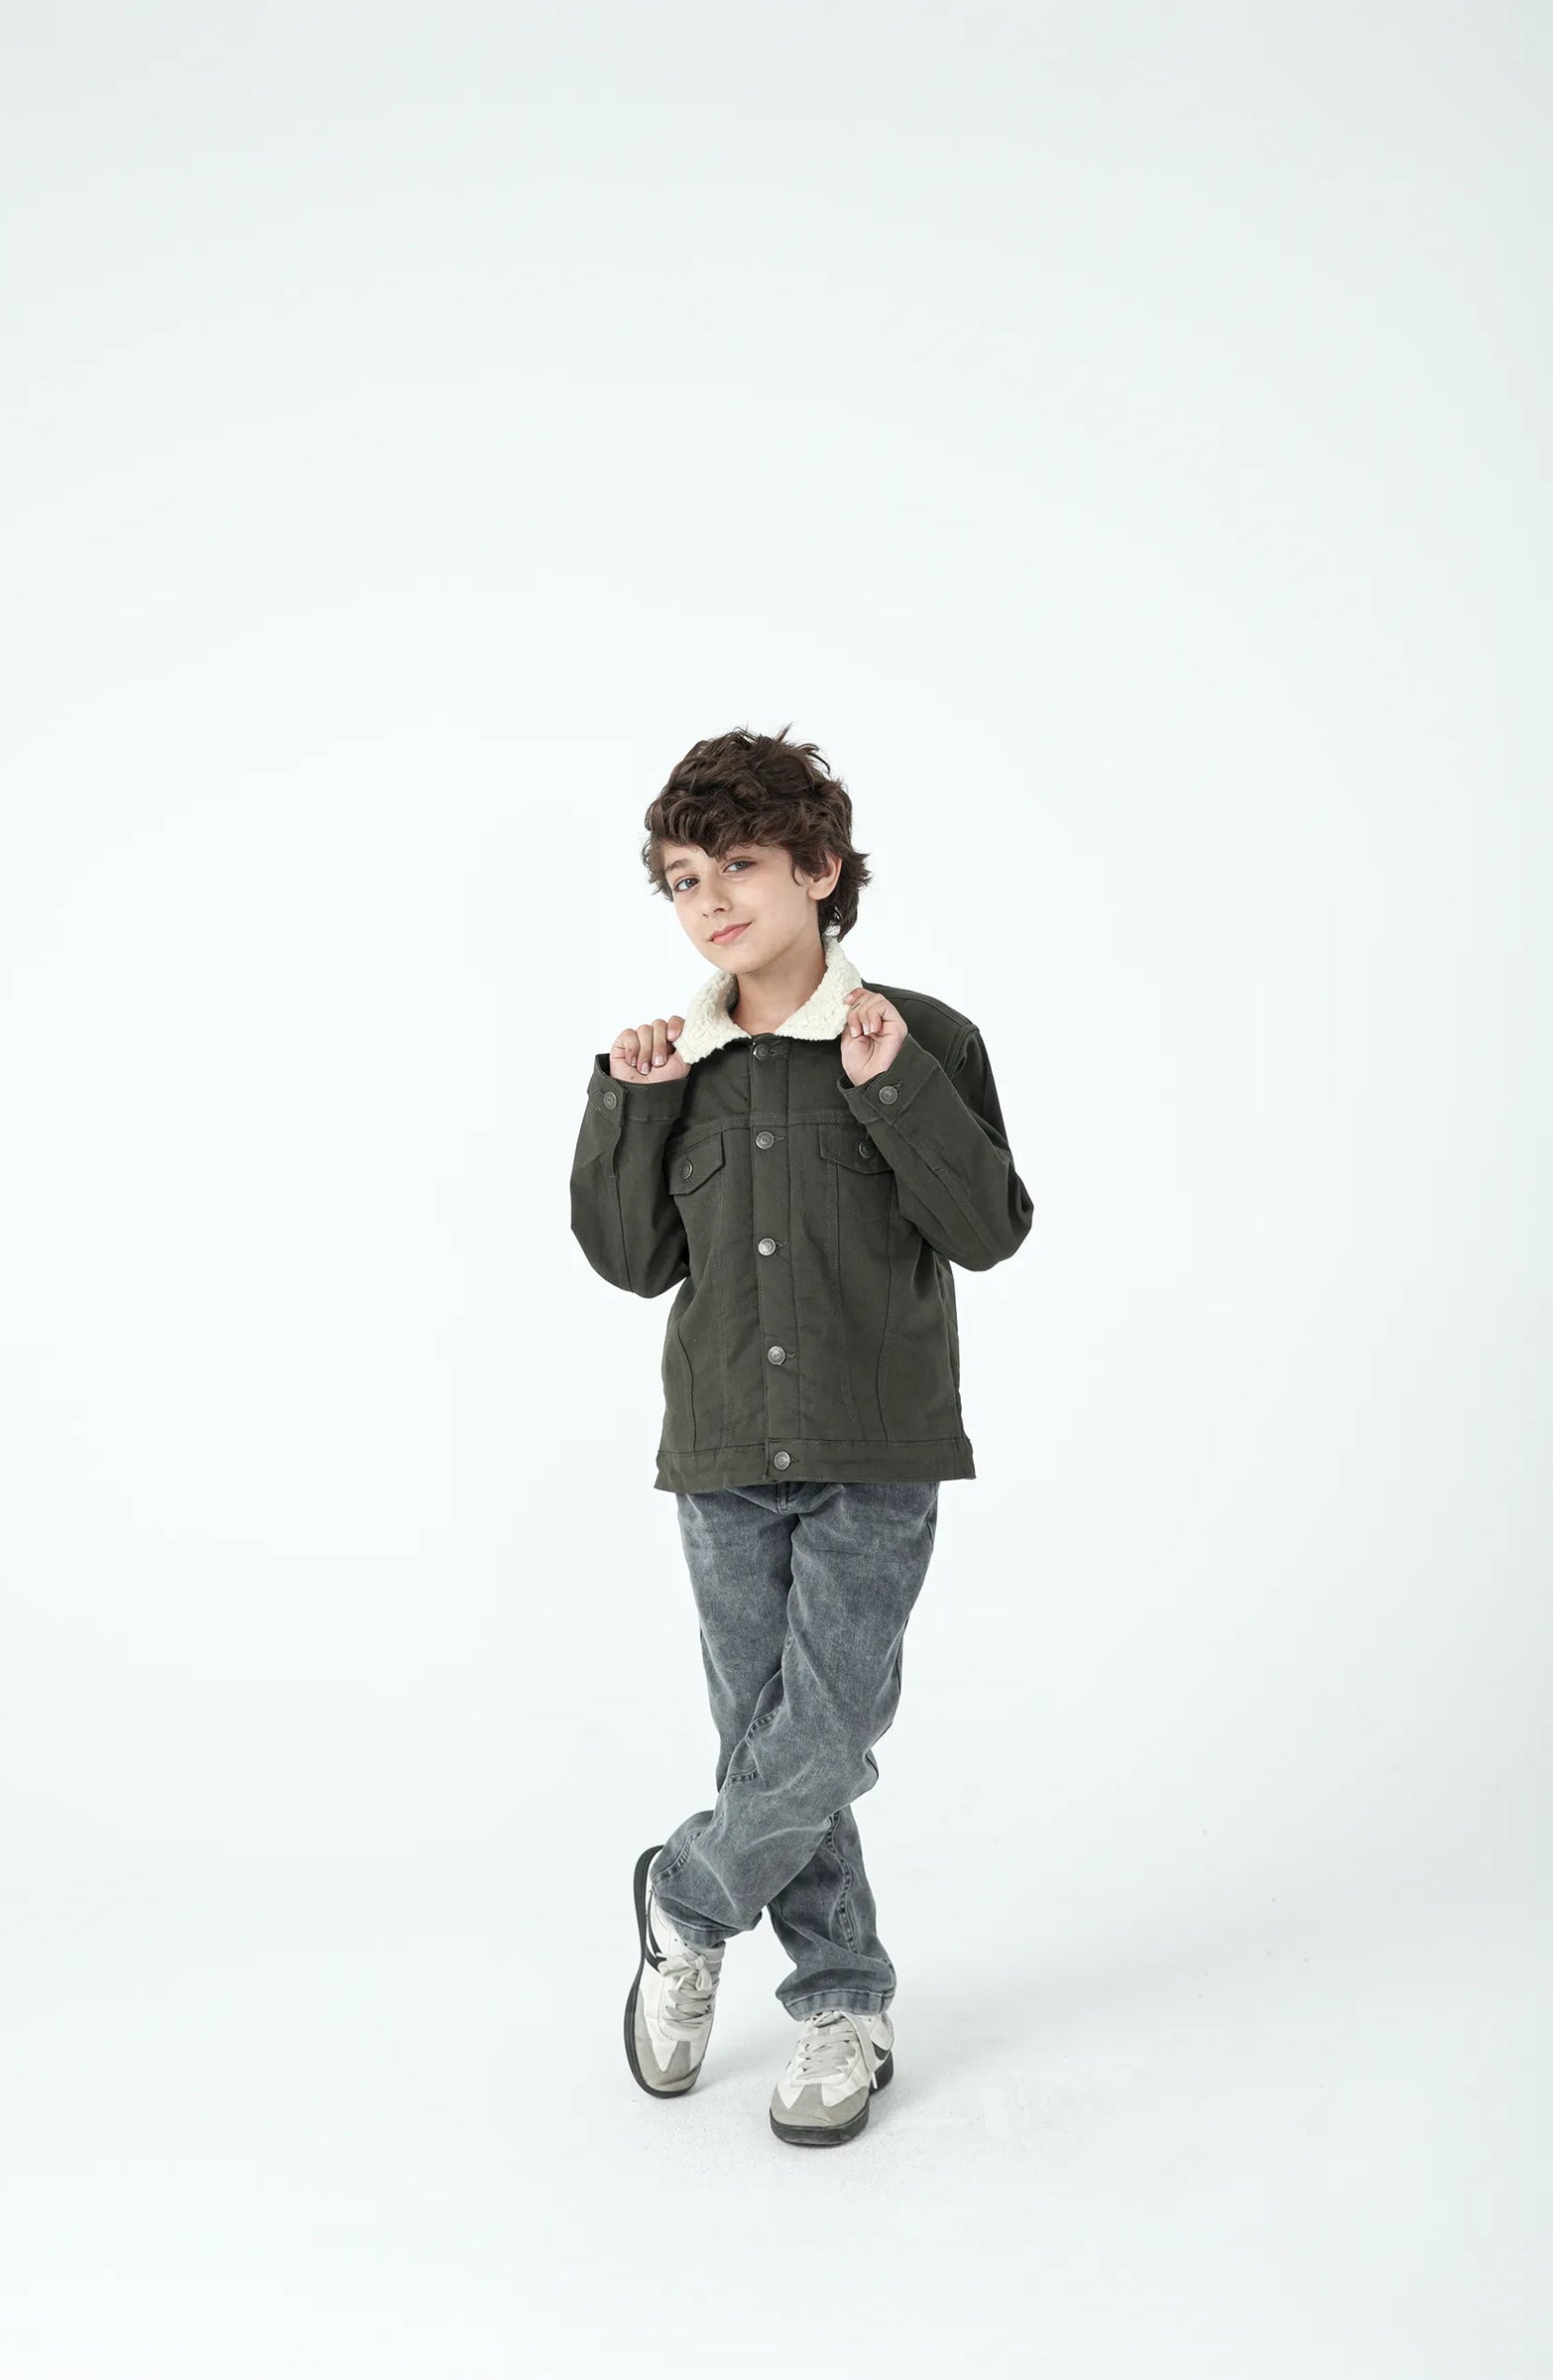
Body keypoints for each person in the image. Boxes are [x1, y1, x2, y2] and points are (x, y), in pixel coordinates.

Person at [568, 726, 1033, 2146]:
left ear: (821, 870)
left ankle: (686, 1898)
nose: (709, 899)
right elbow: (629, 1260)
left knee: (827, 1730)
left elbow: (988, 1230)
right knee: (766, 1743)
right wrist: (629, 1106)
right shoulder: (668, 1064)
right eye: (682, 878)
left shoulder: (926, 1036)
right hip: (721, 1454)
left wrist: (893, 1087)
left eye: (740, 866)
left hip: (875, 1450)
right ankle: (842, 2003)